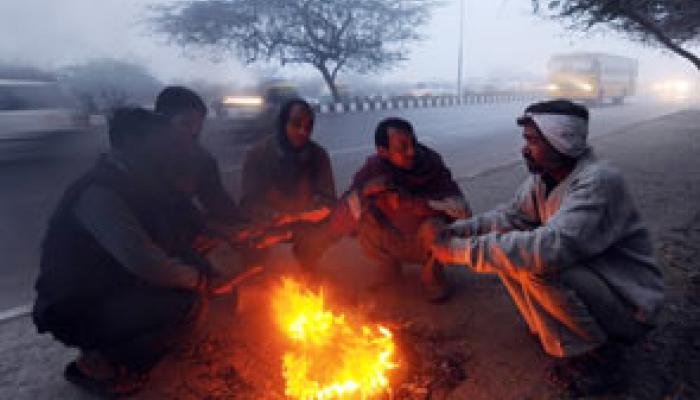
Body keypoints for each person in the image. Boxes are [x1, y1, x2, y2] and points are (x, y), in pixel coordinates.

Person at [429, 99, 664, 395]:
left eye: (532, 140)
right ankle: (552, 333)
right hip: (597, 283)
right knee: (510, 250)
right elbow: (512, 217)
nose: (525, 148)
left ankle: (598, 356)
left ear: (561, 141)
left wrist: (458, 251)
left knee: (535, 263)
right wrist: (455, 232)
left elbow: (549, 248)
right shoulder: (544, 179)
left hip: (630, 307)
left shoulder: (600, 181)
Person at [32, 108, 243, 397]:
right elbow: (146, 262)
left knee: (200, 289)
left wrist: (208, 254)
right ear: (131, 144)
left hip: (113, 285)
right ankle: (99, 363)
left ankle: (146, 348)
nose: (167, 153)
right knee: (186, 302)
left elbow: (174, 233)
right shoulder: (99, 193)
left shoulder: (141, 182)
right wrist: (201, 280)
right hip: (76, 305)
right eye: (159, 145)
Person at [329, 117, 471, 302]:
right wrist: (365, 191)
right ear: (383, 151)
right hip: (393, 236)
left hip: (424, 238)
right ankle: (389, 267)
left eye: (413, 143)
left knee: (435, 227)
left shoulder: (430, 162)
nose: (411, 152)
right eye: (402, 147)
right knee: (365, 216)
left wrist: (417, 205)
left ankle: (432, 276)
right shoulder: (374, 168)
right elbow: (340, 217)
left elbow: (463, 209)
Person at [239, 98, 336, 273]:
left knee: (322, 233)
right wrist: (272, 215)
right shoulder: (258, 154)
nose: (302, 131)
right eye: (296, 124)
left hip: (304, 221)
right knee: (247, 241)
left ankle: (309, 268)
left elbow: (328, 198)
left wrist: (307, 213)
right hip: (267, 221)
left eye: (308, 127)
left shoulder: (318, 155)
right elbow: (249, 201)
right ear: (283, 123)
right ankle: (257, 274)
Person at [154, 86, 241, 225]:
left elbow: (219, 203)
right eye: (186, 124)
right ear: (161, 123)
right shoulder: (140, 158)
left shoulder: (201, 160)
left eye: (198, 124)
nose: (195, 131)